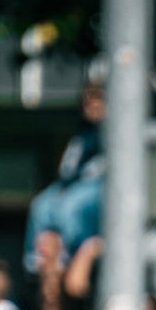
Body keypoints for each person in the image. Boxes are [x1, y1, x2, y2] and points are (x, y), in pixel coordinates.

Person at [25, 83, 106, 266]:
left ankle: (70, 256)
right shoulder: (83, 132)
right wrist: (65, 186)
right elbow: (69, 167)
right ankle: (37, 260)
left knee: (69, 207)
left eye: (97, 103)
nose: (92, 108)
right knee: (40, 205)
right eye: (88, 104)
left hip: (98, 184)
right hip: (72, 183)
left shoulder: (113, 131)